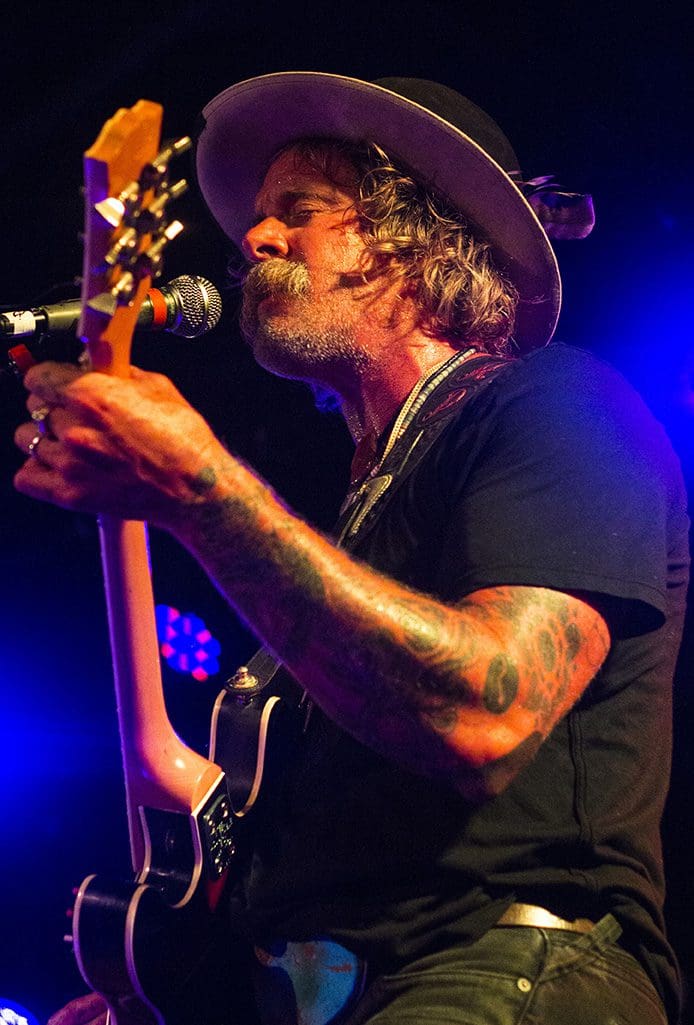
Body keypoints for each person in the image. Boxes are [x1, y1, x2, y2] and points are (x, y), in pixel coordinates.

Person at [15, 73, 688, 1025]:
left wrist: (200, 489)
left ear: (421, 239)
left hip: (505, 975)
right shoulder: (356, 521)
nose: (256, 239)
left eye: (299, 210)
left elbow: (482, 713)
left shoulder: (561, 407)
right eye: (260, 218)